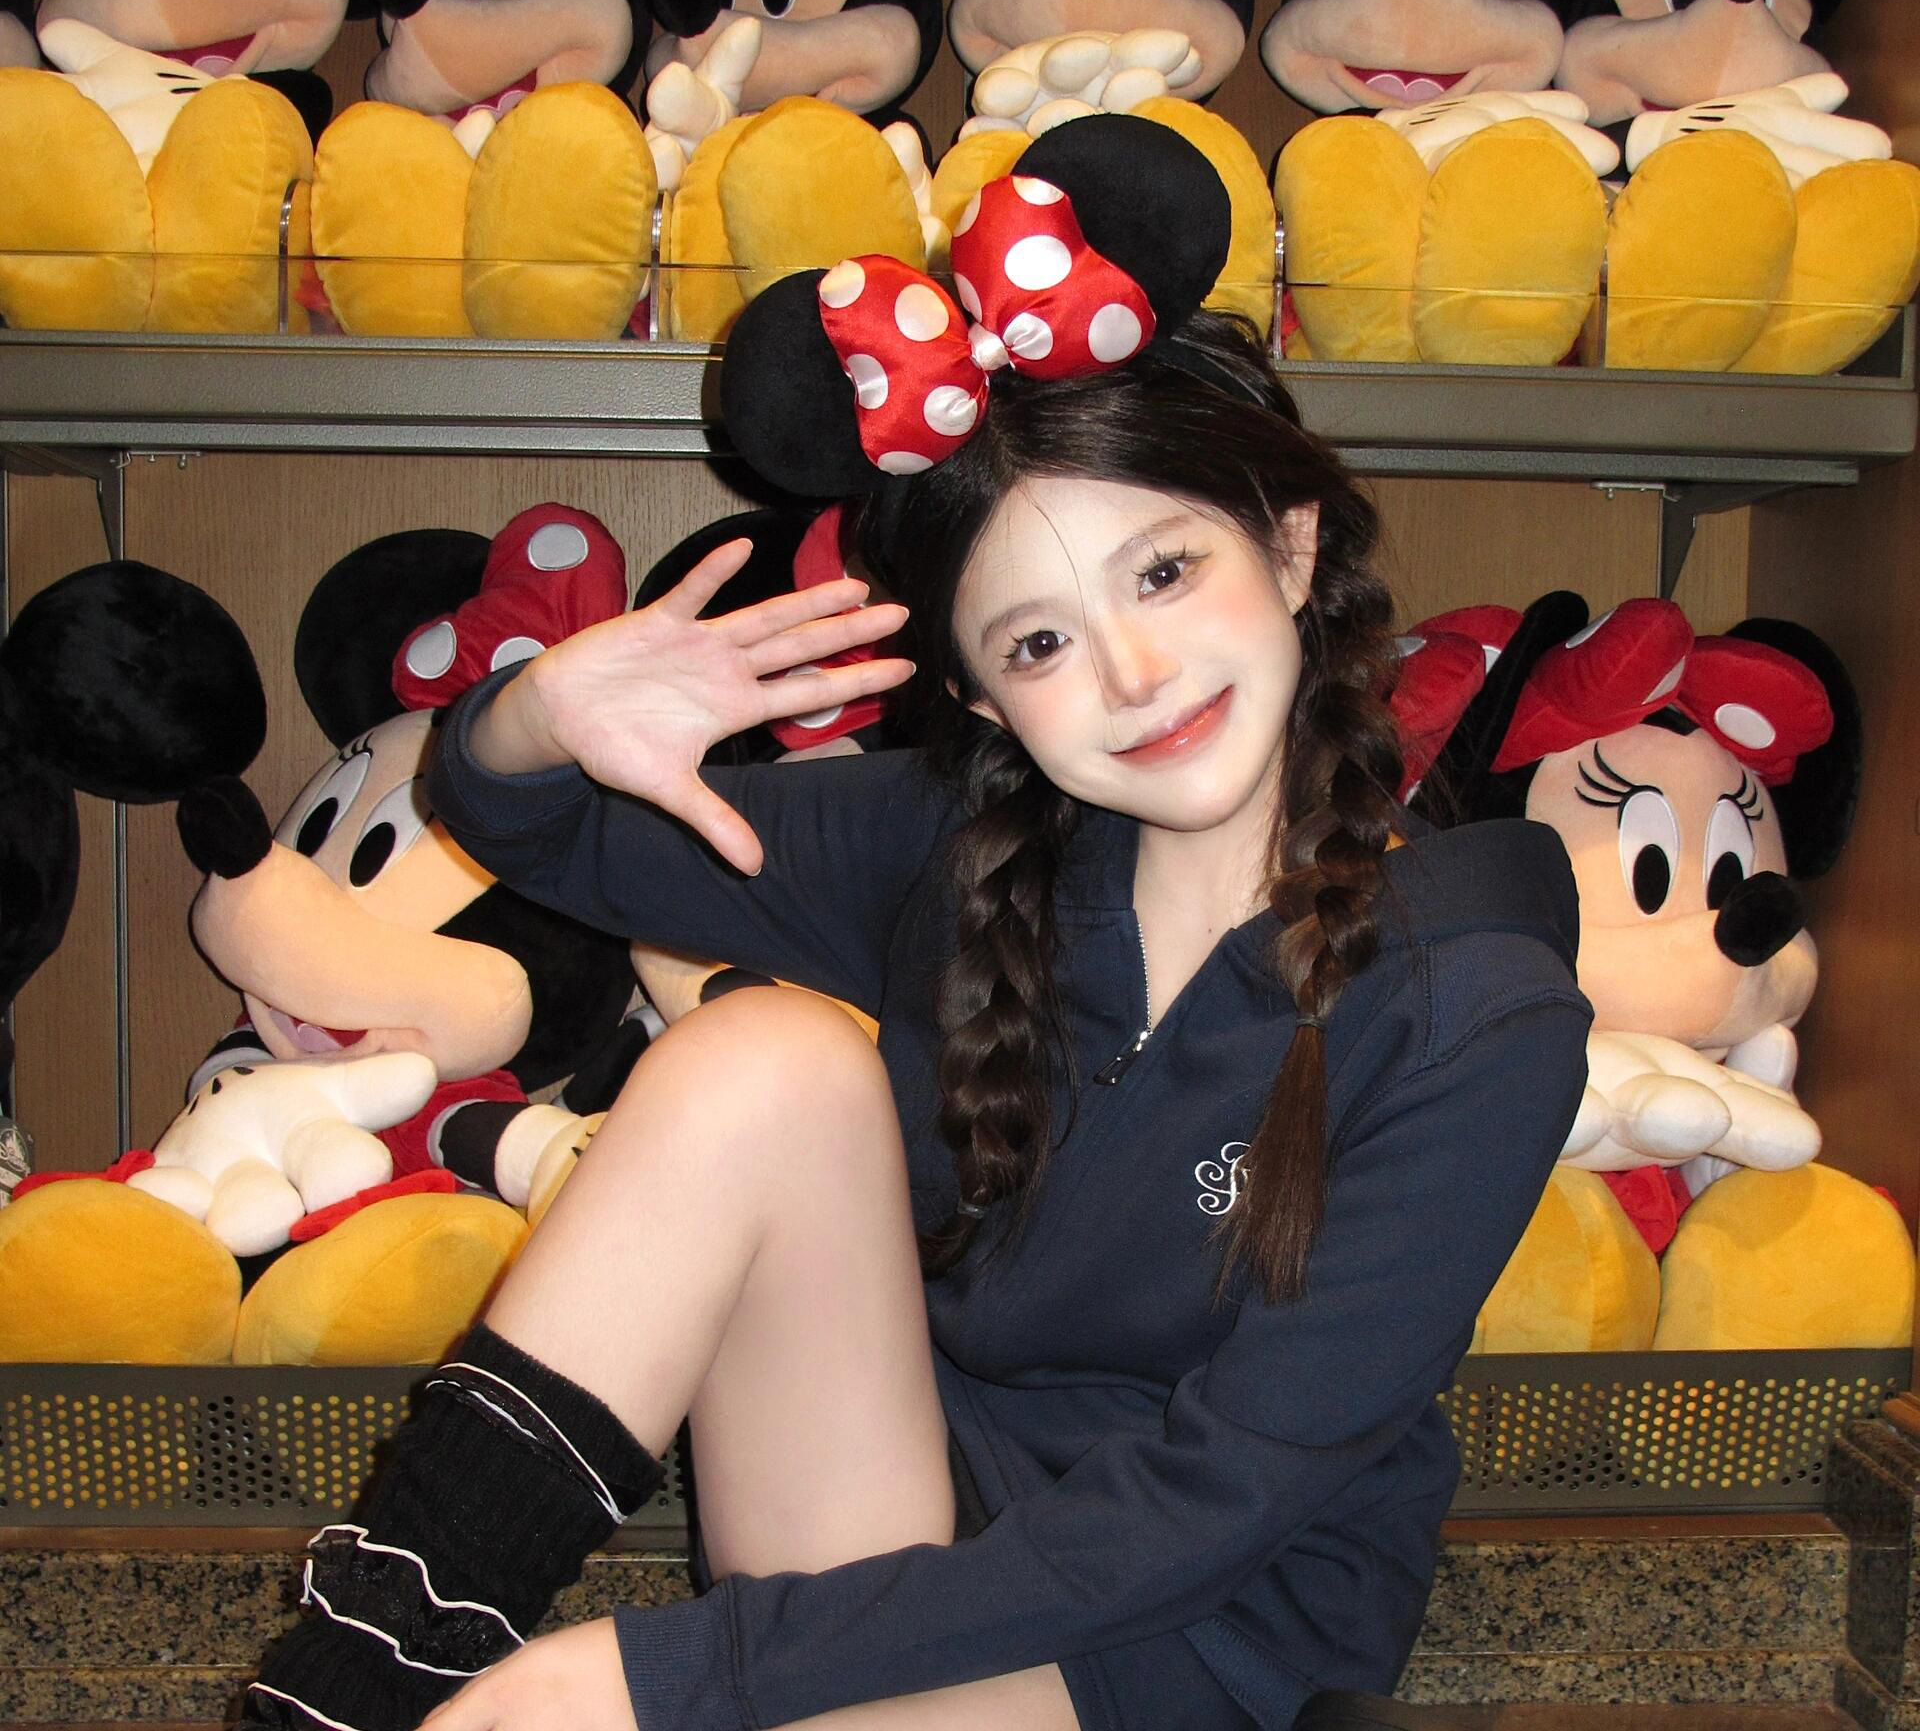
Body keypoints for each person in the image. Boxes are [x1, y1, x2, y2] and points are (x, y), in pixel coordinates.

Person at [243, 123, 1589, 1731]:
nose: (1132, 674)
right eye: (1039, 642)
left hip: (1198, 1632)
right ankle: (341, 1696)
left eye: (1166, 572)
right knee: (758, 1061)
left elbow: (1221, 1498)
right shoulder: (963, 845)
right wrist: (540, 713)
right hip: (908, 1520)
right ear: (982, 698)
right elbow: (541, 828)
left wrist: (652, 1676)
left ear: (1289, 546)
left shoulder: (1476, 1009)